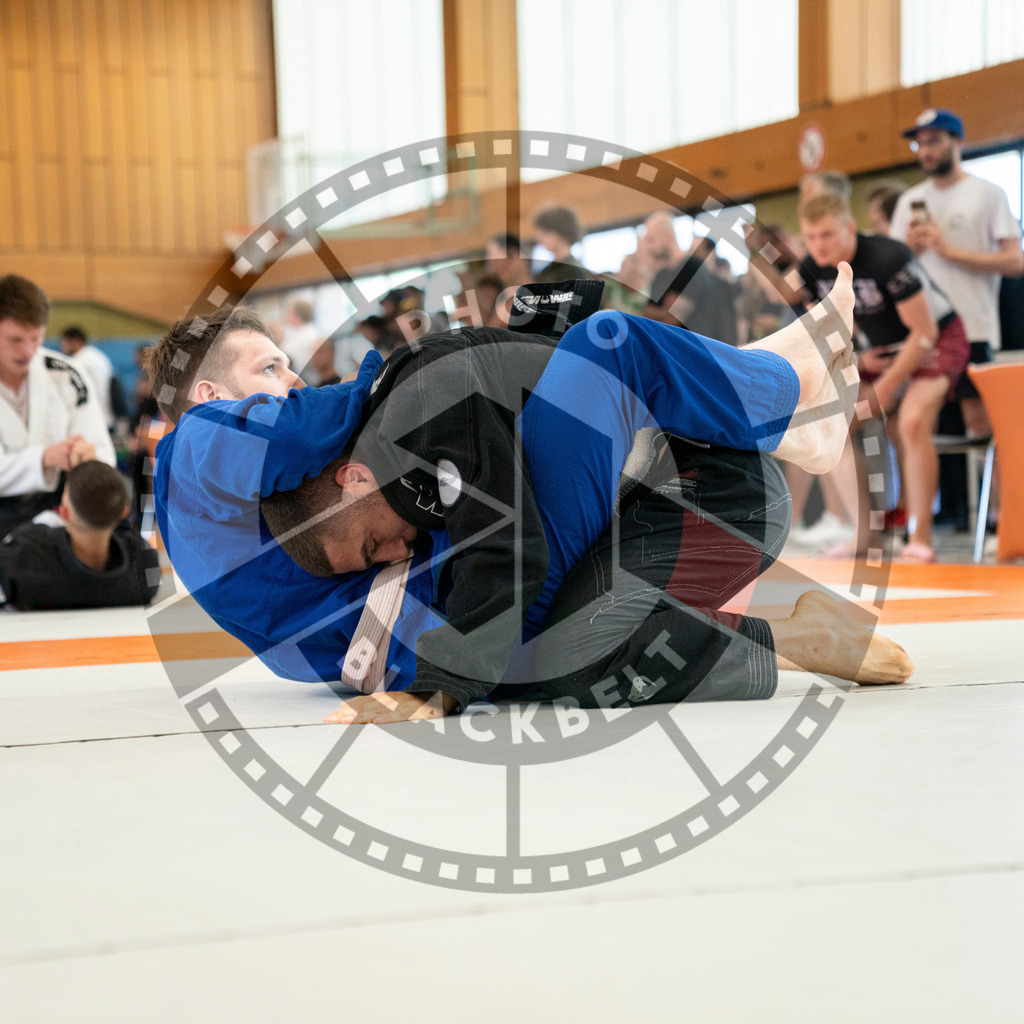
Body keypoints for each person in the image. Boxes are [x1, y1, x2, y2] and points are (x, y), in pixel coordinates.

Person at [151, 271, 912, 726]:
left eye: (286, 366)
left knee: (597, 351)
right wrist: (383, 382)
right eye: (270, 367)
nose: (290, 382)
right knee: (602, 352)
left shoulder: (275, 530)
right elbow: (330, 418)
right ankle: (787, 413)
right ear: (211, 396)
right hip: (518, 603)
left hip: (508, 593)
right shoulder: (197, 449)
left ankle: (781, 399)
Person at [799, 192, 970, 563]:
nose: (818, 246)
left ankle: (920, 538)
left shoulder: (888, 256)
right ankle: (863, 534)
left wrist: (887, 387)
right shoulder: (810, 270)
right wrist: (860, 356)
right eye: (810, 237)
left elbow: (923, 332)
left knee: (910, 421)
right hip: (883, 351)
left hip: (936, 339)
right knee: (831, 425)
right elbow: (829, 333)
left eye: (826, 235)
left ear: (848, 227)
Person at [890, 109, 1024, 441]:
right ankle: (948, 497)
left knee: (980, 430)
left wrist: (950, 252)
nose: (926, 151)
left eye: (934, 141)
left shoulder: (988, 194)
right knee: (931, 433)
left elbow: (1015, 262)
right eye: (919, 144)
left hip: (974, 329)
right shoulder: (911, 201)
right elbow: (891, 271)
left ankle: (989, 496)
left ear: (958, 141)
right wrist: (910, 250)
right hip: (927, 335)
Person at [0, 275, 116, 540]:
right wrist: (45, 458)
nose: (27, 350)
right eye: (15, 339)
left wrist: (87, 458)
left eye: (36, 337)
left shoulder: (67, 374)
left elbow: (102, 452)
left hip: (58, 517)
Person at [0, 459, 160, 609]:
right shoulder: (145, 574)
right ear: (123, 514)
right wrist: (97, 478)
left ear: (63, 513)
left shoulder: (20, 560)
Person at [59, 326, 119, 431]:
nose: (62, 347)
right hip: (107, 417)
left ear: (75, 341)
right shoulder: (98, 356)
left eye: (64, 342)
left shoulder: (79, 361)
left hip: (94, 420)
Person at [532, 207, 590, 284]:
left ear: (561, 232)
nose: (539, 238)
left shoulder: (573, 270)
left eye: (545, 232)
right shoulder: (546, 271)